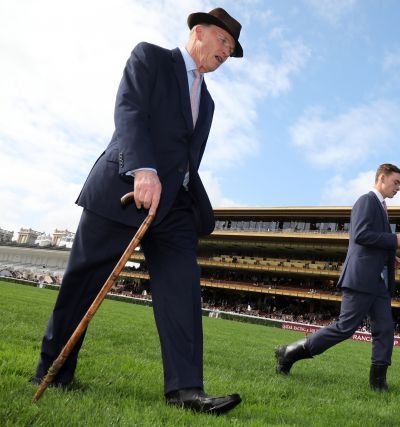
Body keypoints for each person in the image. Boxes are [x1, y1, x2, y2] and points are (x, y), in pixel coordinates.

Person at [33, 8, 244, 415]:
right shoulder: (150, 57)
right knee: (84, 285)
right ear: (198, 32)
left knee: (183, 286)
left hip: (175, 207)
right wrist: (143, 169)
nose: (225, 52)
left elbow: (186, 156)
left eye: (231, 49)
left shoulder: (210, 102)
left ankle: (186, 389)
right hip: (123, 189)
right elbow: (129, 111)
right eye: (223, 41)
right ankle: (53, 370)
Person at [275, 163, 400, 391]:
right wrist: (394, 239)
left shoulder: (381, 207)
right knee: (345, 328)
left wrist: (391, 258)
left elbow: (373, 242)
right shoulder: (367, 200)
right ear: (382, 178)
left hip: (377, 282)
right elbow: (360, 234)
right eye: (396, 182)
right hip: (360, 278)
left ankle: (378, 382)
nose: (398, 187)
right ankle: (289, 353)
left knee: (385, 328)